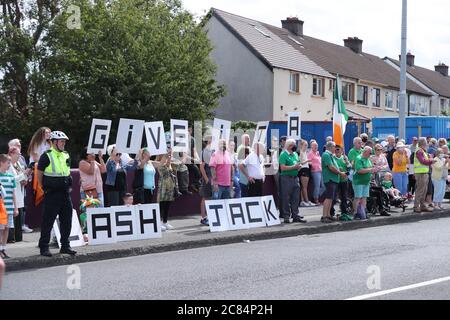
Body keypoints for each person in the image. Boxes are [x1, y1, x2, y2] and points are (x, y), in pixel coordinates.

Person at [37, 131, 76, 257]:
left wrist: (69, 184)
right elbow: (39, 173)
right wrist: (43, 187)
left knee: (67, 221)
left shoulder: (66, 155)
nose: (63, 144)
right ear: (53, 142)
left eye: (64, 141)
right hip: (52, 194)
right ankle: (44, 247)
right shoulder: (46, 155)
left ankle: (65, 246)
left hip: (65, 193)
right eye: (61, 141)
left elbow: (67, 171)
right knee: (47, 221)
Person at [279, 139, 306, 224]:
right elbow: (282, 168)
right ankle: (286, 216)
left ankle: (295, 216)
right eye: (293, 145)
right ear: (289, 145)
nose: (295, 146)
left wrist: (299, 166)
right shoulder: (283, 154)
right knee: (286, 198)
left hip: (295, 178)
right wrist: (294, 167)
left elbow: (297, 164)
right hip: (286, 178)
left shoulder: (295, 154)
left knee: (295, 198)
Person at [7, 147, 30, 243]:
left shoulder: (17, 164)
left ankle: (18, 236)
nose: (19, 156)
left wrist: (25, 178)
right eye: (17, 154)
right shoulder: (8, 165)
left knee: (19, 216)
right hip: (12, 193)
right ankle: (11, 237)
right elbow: (12, 179)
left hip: (20, 192)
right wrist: (23, 174)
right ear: (11, 154)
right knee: (13, 217)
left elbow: (22, 176)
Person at [321, 142, 347, 223]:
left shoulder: (330, 155)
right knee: (328, 198)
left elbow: (333, 166)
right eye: (334, 146)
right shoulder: (326, 155)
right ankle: (325, 216)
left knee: (331, 198)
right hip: (330, 179)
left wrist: (338, 170)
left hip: (334, 179)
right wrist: (340, 173)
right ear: (330, 147)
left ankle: (328, 215)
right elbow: (330, 167)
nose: (335, 148)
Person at [0, 155, 18, 258]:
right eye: (8, 163)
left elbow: (13, 194)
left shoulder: (11, 177)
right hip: (1, 209)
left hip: (9, 208)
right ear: (1, 162)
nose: (9, 165)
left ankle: (3, 248)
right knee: (1, 229)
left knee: (7, 228)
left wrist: (15, 208)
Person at [157, 149, 179, 231]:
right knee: (161, 206)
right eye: (165, 157)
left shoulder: (168, 166)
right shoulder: (160, 166)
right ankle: (159, 222)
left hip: (170, 188)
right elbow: (161, 164)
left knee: (167, 206)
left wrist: (170, 155)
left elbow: (168, 163)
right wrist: (166, 155)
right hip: (163, 188)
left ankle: (165, 222)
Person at [414, 137, 437, 213]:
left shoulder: (422, 151)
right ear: (423, 143)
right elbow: (422, 161)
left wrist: (430, 158)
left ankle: (422, 206)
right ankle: (416, 206)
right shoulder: (419, 151)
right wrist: (431, 160)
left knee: (424, 190)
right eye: (426, 143)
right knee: (420, 190)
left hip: (424, 172)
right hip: (420, 173)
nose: (427, 144)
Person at [353, 147, 376, 220]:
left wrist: (373, 171)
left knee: (364, 197)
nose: (370, 155)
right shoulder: (359, 158)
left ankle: (363, 212)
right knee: (358, 197)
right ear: (365, 152)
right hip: (358, 181)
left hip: (366, 181)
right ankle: (356, 213)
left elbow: (370, 168)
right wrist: (370, 170)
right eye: (370, 153)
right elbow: (359, 170)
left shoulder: (368, 159)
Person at [334, 145, 352, 219]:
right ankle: (331, 212)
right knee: (334, 198)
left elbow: (349, 168)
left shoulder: (344, 157)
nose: (337, 151)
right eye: (336, 150)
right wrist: (338, 169)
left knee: (344, 197)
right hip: (336, 180)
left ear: (341, 150)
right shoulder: (333, 158)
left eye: (338, 149)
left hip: (344, 180)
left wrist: (347, 162)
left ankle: (344, 212)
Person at [199, 135, 213, 226]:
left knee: (210, 197)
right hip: (208, 178)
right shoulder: (204, 152)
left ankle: (210, 216)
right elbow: (201, 167)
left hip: (213, 178)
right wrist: (207, 179)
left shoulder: (213, 151)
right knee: (205, 197)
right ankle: (203, 218)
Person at [297, 140, 313, 207]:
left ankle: (303, 201)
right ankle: (306, 201)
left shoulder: (304, 152)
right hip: (303, 170)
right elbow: (300, 162)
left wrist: (308, 162)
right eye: (305, 145)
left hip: (306, 169)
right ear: (301, 145)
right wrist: (308, 160)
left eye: (307, 145)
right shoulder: (300, 152)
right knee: (304, 187)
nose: (306, 147)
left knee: (303, 187)